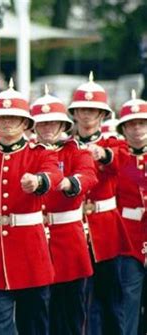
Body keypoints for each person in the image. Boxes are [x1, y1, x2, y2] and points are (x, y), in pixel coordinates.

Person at [0, 79, 63, 335]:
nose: (7, 123)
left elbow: (53, 174)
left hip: (31, 255)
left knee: (35, 325)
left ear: (24, 124)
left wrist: (39, 180)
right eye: (2, 118)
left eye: (13, 118)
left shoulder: (39, 152)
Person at [68, 72, 132, 335]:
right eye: (82, 110)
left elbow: (125, 162)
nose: (87, 115)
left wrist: (104, 154)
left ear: (103, 115)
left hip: (105, 231)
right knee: (79, 299)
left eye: (93, 111)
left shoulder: (112, 142)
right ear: (75, 113)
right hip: (73, 228)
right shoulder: (68, 145)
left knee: (111, 300)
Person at [31, 86, 97, 335]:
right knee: (38, 311)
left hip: (68, 239)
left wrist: (71, 183)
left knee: (70, 310)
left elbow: (88, 175)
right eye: (42, 124)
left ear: (63, 126)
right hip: (34, 239)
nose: (47, 129)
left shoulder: (75, 151)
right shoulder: (29, 153)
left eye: (52, 124)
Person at [115, 91, 147, 335]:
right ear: (124, 129)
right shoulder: (119, 158)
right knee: (129, 298)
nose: (137, 129)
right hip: (128, 238)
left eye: (142, 123)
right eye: (132, 124)